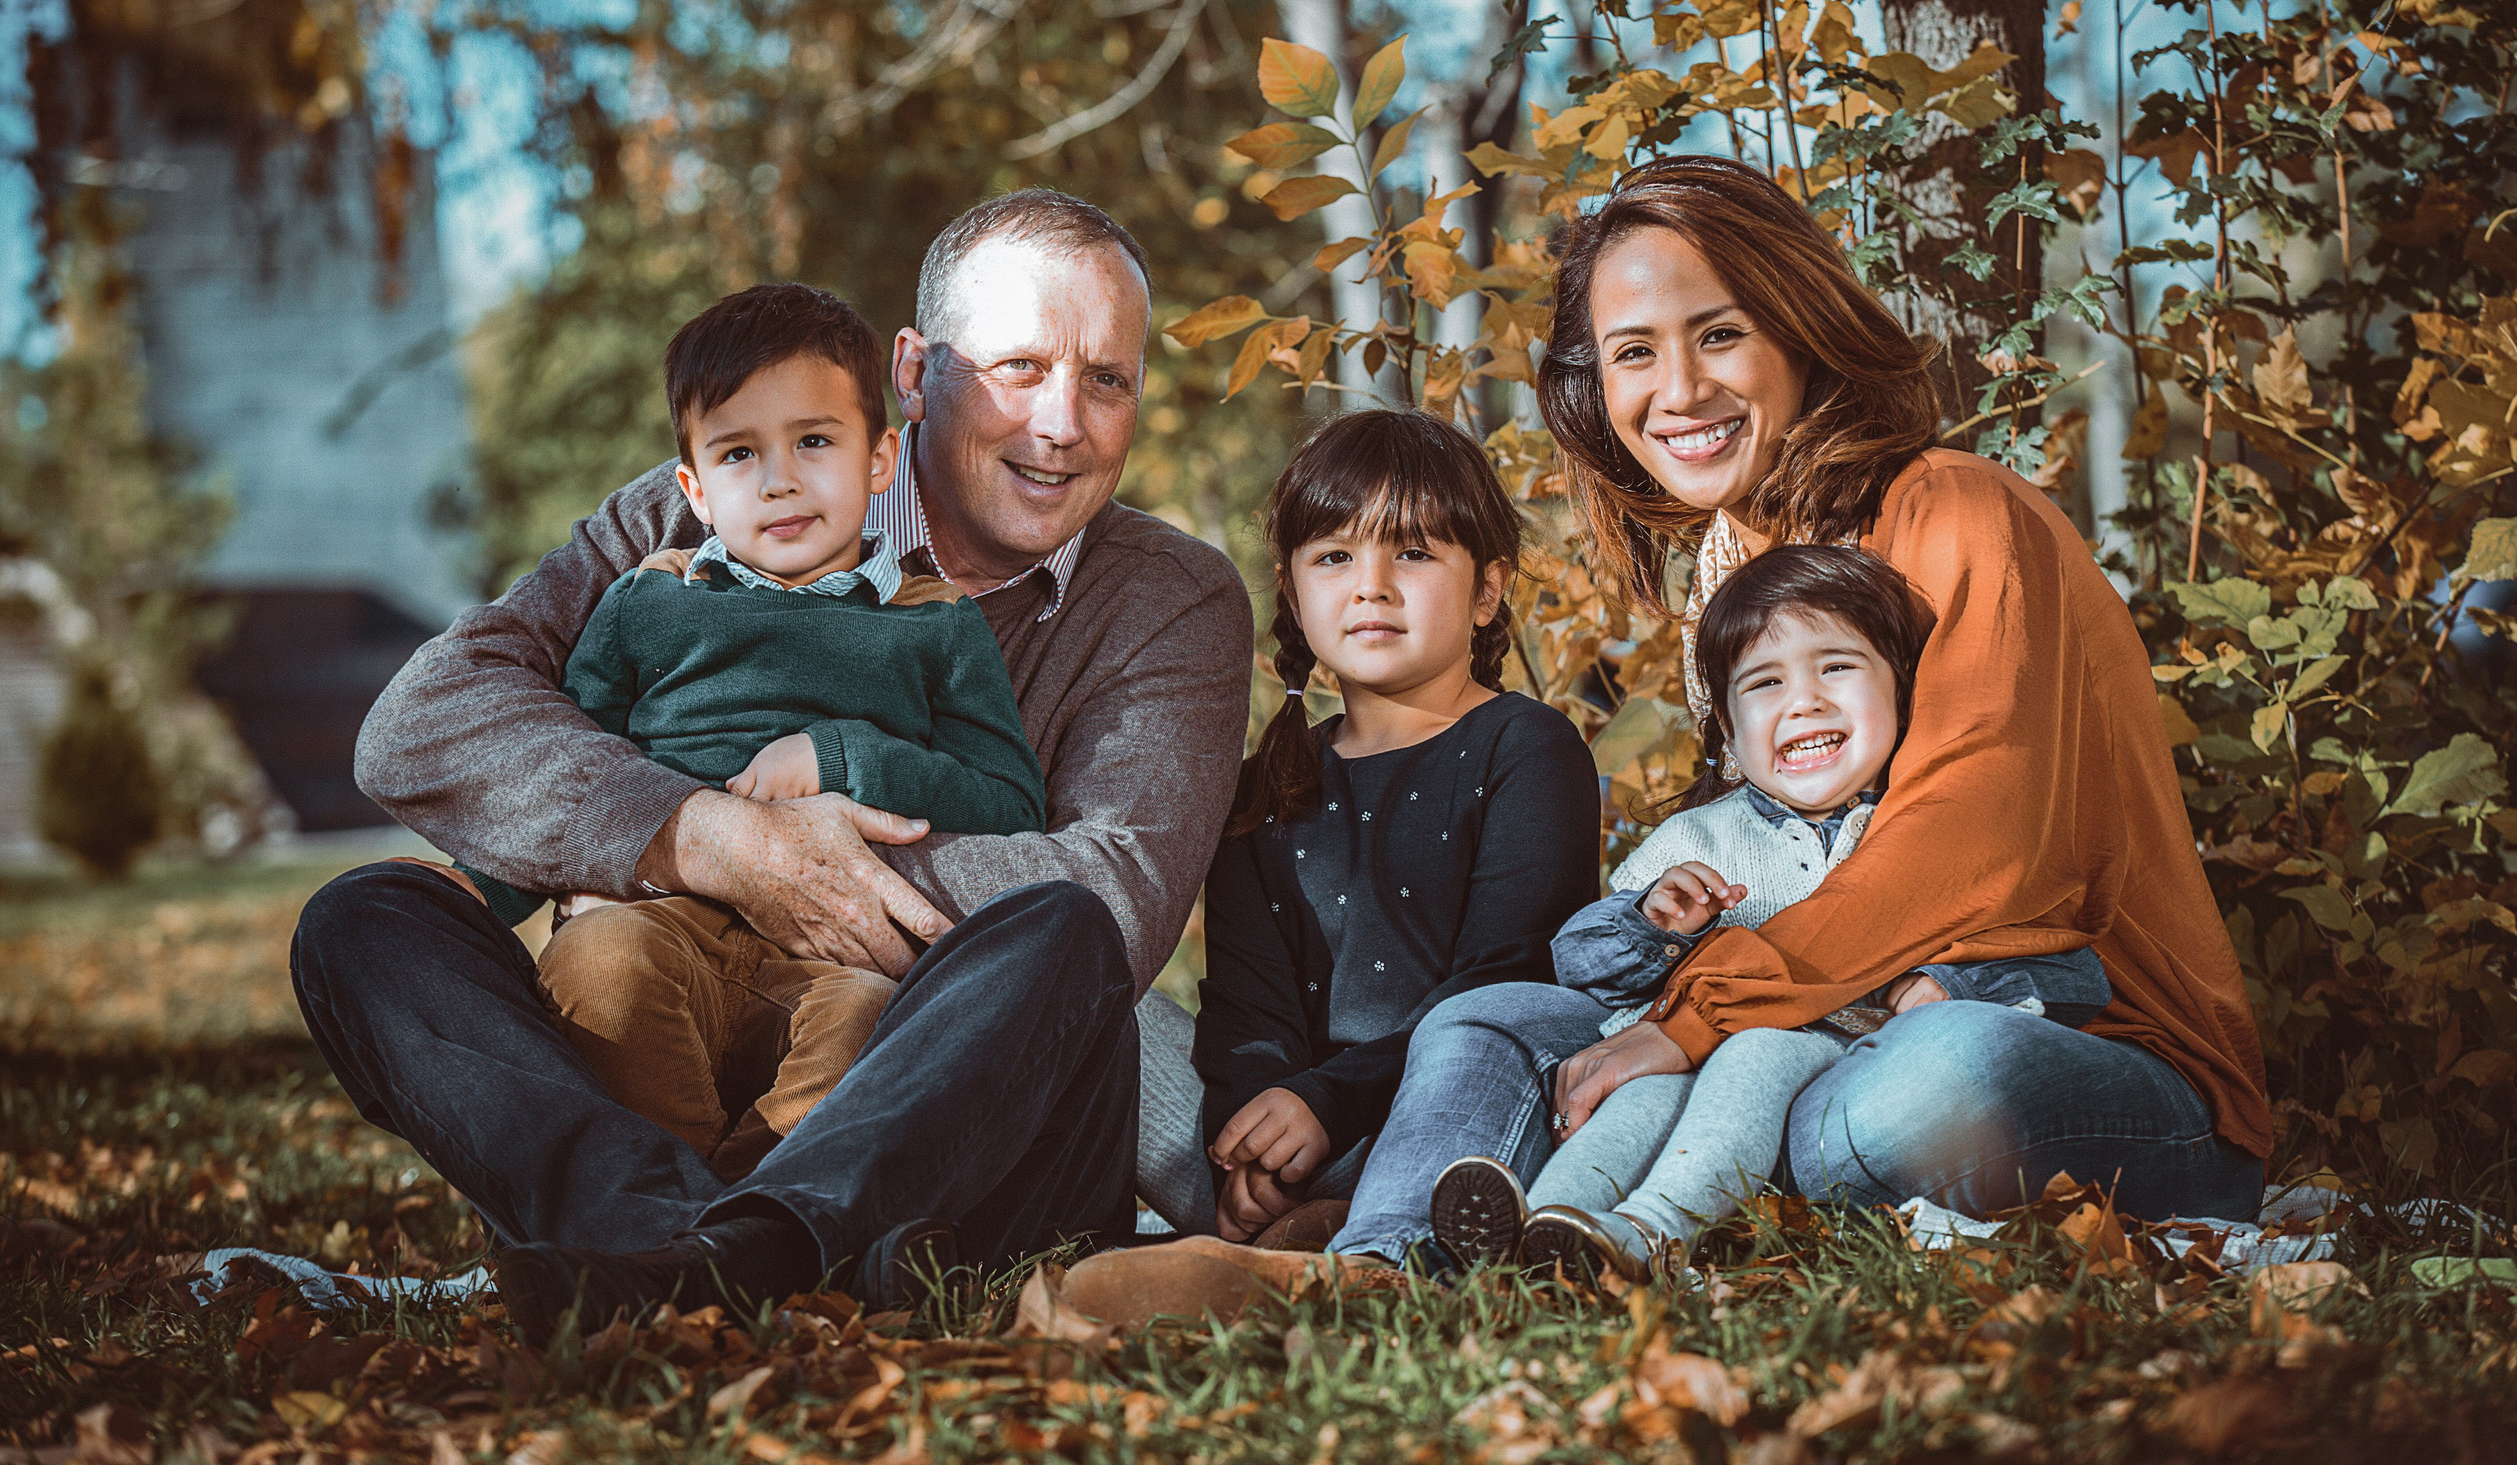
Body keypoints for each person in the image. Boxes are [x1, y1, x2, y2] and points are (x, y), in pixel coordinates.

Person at [1118, 153, 2270, 1284]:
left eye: (1718, 334)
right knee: (1500, 1020)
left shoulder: (1957, 512)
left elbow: (1977, 844)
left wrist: (1696, 1017)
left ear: (1797, 326)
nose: (1678, 392)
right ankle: (1378, 1258)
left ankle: (1615, 1203)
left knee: (1921, 1087)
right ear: (1595, 388)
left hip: (2077, 1049)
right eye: (1634, 354)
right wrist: (1656, 985)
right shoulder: (1741, 578)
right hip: (1809, 1036)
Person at [289, 190, 1254, 1337]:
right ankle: (661, 1235)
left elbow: (1120, 888)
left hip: (944, 1158)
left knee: (1061, 930)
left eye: (1108, 379)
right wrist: (708, 839)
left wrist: (805, 861)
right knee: (368, 919)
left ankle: (722, 1252)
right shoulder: (708, 513)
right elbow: (421, 722)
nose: (1061, 423)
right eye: (1019, 367)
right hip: (663, 1015)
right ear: (912, 371)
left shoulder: (1173, 598)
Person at [476, 284, 1046, 1185]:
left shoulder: (932, 624)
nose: (779, 478)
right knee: (602, 962)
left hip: (825, 958)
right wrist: (473, 896)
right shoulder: (649, 603)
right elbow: (568, 761)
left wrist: (843, 758)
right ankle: (670, 1213)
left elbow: (1011, 801)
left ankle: (744, 1231)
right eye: (740, 453)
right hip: (655, 922)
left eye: (814, 441)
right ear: (695, 488)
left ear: (880, 459)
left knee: (866, 1021)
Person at [1429, 545, 2112, 1280]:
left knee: (1755, 1050)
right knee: (1640, 1095)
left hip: (1840, 1063)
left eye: (1838, 667)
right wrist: (1650, 926)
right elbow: (1579, 959)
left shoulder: (1928, 831)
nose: (1805, 700)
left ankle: (1650, 1230)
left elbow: (2068, 965)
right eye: (1765, 681)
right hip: (1680, 1059)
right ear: (1726, 728)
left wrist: (1952, 984)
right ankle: (1544, 1228)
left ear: (1904, 692)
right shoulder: (1698, 838)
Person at [1141, 409, 1600, 1247]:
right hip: (1305, 1143)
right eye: (1335, 557)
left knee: (1476, 1032)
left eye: (1414, 552)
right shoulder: (1262, 790)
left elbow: (1509, 977)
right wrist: (1257, 1139)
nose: (1372, 584)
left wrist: (1330, 1099)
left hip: (1466, 1130)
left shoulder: (1528, 748)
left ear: (1488, 589)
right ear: (1293, 590)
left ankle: (1359, 1247)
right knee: (1113, 1002)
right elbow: (1249, 1009)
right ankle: (1279, 1226)